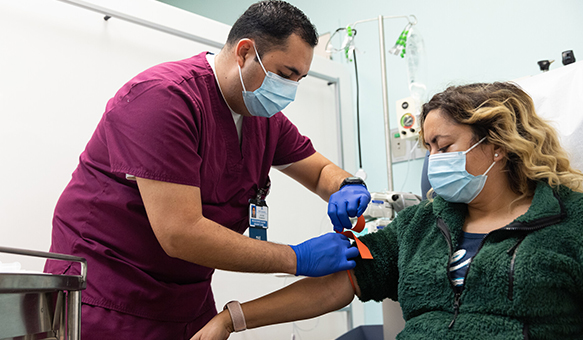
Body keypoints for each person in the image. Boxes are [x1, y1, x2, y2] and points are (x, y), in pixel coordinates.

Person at [43, 1, 370, 338]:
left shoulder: (263, 120)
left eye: (299, 79)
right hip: (107, 295)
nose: (290, 90)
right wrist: (295, 258)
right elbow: (180, 232)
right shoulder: (164, 100)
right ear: (244, 52)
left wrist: (347, 185)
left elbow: (318, 173)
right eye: (285, 75)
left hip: (185, 298)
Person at [193, 82, 583, 340]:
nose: (432, 161)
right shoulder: (421, 224)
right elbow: (340, 284)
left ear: (498, 146)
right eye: (428, 149)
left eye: (444, 146)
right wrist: (233, 319)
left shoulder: (581, 224)